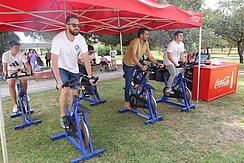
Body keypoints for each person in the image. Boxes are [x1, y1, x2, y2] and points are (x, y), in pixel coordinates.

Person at [51, 15, 93, 128]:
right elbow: (54, 62)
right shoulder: (58, 39)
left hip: (73, 69)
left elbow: (86, 58)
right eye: (74, 25)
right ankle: (63, 116)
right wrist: (59, 81)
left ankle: (71, 112)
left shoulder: (81, 39)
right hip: (61, 68)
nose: (77, 27)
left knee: (74, 93)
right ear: (67, 26)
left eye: (78, 25)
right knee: (65, 90)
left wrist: (90, 76)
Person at [122, 28, 164, 110]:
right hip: (129, 64)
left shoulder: (146, 43)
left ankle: (139, 86)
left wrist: (157, 63)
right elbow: (133, 56)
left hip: (137, 61)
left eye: (148, 34)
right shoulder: (135, 41)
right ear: (141, 35)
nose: (148, 36)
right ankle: (126, 102)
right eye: (146, 34)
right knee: (128, 82)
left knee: (147, 72)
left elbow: (150, 56)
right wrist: (141, 66)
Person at [2, 40, 32, 113]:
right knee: (11, 83)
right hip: (10, 71)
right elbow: (5, 66)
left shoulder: (21, 55)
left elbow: (26, 64)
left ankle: (24, 93)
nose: (18, 49)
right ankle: (15, 104)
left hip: (19, 70)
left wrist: (30, 71)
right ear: (10, 48)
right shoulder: (5, 55)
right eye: (16, 47)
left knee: (24, 79)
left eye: (18, 47)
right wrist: (6, 74)